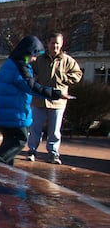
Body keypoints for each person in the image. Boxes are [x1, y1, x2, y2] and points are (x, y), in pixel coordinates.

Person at [0, 36, 72, 166]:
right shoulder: (20, 66)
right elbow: (31, 87)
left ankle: (4, 174)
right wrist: (56, 93)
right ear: (29, 53)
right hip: (15, 113)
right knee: (20, 140)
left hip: (7, 111)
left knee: (9, 146)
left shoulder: (11, 63)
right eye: (34, 55)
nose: (35, 59)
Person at [26, 32, 82, 164]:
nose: (55, 46)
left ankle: (53, 153)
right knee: (35, 128)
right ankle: (32, 151)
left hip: (58, 101)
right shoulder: (39, 59)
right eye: (52, 43)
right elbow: (29, 69)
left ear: (61, 44)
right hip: (39, 99)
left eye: (57, 43)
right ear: (48, 44)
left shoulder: (67, 60)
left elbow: (78, 75)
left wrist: (64, 78)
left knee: (55, 130)